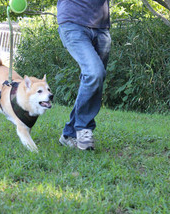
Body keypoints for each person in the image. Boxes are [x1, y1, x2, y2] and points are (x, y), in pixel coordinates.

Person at [57, 0, 111, 150]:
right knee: (94, 73)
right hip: (73, 22)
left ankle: (69, 134)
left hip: (101, 27)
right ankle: (83, 127)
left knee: (94, 79)